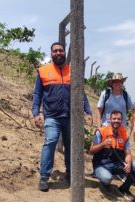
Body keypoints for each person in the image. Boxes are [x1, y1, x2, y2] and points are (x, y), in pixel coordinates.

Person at [32, 42, 92, 192]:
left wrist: (88, 111)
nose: (58, 53)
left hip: (71, 116)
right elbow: (37, 94)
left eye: (61, 50)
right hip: (52, 116)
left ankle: (70, 174)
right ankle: (44, 177)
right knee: (51, 141)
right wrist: (36, 113)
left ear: (64, 53)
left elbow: (81, 93)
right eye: (55, 51)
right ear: (51, 54)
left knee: (71, 145)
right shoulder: (43, 71)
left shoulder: (73, 71)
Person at [90, 110, 135, 201]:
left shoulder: (124, 134)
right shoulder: (101, 132)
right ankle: (99, 176)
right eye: (114, 119)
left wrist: (128, 164)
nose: (116, 121)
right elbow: (91, 151)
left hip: (117, 164)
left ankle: (124, 189)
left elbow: (128, 153)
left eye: (119, 119)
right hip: (102, 164)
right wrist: (103, 144)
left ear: (121, 121)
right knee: (107, 179)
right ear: (110, 120)